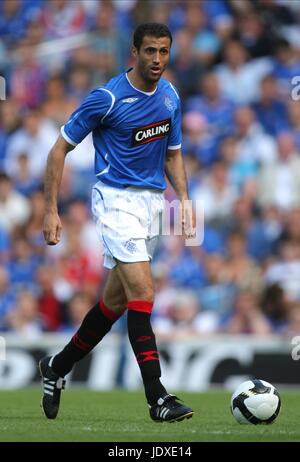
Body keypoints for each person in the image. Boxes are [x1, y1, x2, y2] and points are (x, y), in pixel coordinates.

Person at [39, 23, 195, 423]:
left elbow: (173, 155)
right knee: (143, 291)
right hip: (115, 201)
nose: (157, 59)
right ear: (134, 52)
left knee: (114, 303)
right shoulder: (107, 98)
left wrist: (186, 201)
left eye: (164, 51)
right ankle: (157, 397)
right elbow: (58, 150)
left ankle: (56, 367)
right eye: (150, 51)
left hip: (153, 206)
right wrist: (51, 209)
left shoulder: (170, 96)